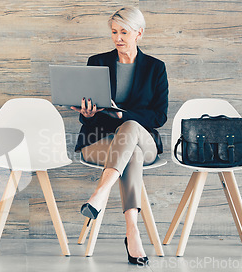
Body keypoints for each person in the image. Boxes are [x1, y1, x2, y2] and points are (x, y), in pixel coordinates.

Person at [71, 6, 168, 265]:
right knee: (130, 153)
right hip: (99, 140)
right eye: (114, 32)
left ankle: (101, 192)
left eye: (124, 32)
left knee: (131, 127)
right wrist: (88, 114)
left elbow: (159, 116)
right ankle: (132, 231)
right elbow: (86, 113)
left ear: (139, 33)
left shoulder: (156, 68)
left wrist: (123, 116)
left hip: (144, 139)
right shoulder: (98, 62)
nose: (118, 38)